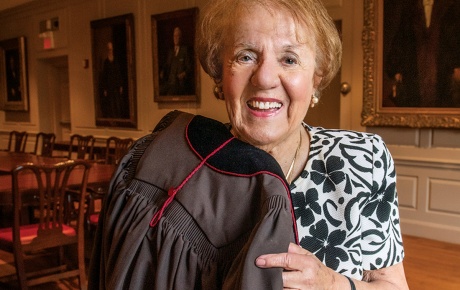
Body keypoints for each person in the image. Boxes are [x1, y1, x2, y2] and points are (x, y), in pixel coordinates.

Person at [89, 0, 409, 289]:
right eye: (245, 56)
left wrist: (333, 285)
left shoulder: (363, 159)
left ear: (317, 76)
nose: (265, 77)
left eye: (289, 58)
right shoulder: (179, 169)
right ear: (220, 76)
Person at [385, 0, 460, 107]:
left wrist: (457, 64)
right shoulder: (409, 9)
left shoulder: (448, 7)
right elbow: (401, 39)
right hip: (415, 67)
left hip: (441, 67)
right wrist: (396, 68)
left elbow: (455, 38)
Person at [159, 26, 193, 95]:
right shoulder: (170, 52)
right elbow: (167, 65)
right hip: (169, 82)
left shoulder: (185, 50)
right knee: (160, 91)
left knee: (170, 94)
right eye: (174, 36)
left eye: (178, 36)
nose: (176, 38)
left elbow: (189, 68)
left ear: (181, 37)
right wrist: (162, 71)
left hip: (179, 83)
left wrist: (184, 74)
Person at [98, 41, 128, 118]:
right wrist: (105, 89)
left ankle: (119, 117)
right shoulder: (106, 62)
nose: (110, 51)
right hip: (109, 86)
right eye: (108, 49)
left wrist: (121, 85)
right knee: (111, 104)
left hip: (116, 85)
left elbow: (119, 73)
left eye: (111, 49)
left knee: (117, 103)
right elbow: (105, 76)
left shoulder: (116, 61)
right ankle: (113, 117)